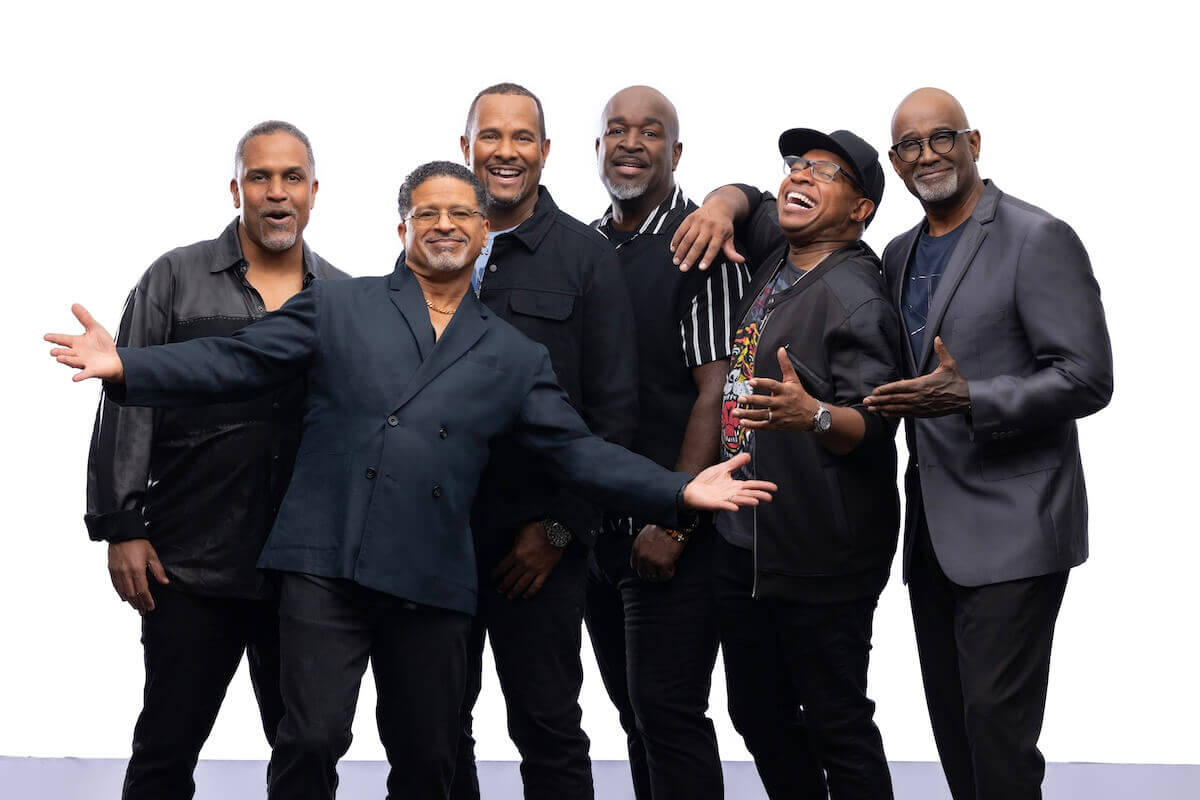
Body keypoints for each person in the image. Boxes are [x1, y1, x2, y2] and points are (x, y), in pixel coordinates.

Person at [47, 160, 776, 800]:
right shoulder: (338, 304)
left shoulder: (513, 354)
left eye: (460, 213)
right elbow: (235, 359)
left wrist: (680, 490)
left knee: (429, 758)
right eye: (427, 213)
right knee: (309, 740)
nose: (444, 224)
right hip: (323, 562)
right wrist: (125, 365)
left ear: (484, 234)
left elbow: (578, 451)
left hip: (431, 574)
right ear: (403, 231)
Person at [861, 88, 1113, 800]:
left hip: (1016, 527)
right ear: (895, 163)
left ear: (973, 143)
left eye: (942, 137)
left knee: (998, 736)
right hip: (932, 536)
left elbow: (1087, 377)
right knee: (956, 732)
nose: (927, 155)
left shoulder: (1037, 237)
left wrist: (973, 397)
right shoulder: (898, 253)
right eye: (910, 146)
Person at [84, 120, 345, 800]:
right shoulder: (175, 277)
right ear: (236, 189)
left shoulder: (345, 298)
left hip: (302, 573)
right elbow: (126, 398)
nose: (277, 192)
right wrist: (121, 526)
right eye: (260, 177)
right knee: (165, 750)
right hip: (187, 564)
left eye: (292, 178)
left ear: (314, 192)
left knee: (309, 752)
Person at [672, 128, 903, 798]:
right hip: (745, 543)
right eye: (797, 164)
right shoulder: (781, 246)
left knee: (836, 721)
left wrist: (816, 415)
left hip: (820, 552)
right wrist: (719, 204)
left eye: (826, 172)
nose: (800, 175)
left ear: (860, 209)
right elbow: (748, 196)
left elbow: (876, 422)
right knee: (757, 712)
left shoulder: (856, 296)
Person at [453, 82, 637, 800]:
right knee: (433, 726)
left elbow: (613, 416)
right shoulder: (434, 243)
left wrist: (560, 529)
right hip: (434, 536)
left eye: (522, 137)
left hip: (540, 544)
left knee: (547, 725)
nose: (506, 151)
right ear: (466, 146)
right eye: (490, 135)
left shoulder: (586, 258)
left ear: (546, 151)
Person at [585, 85, 748, 800]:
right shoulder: (585, 246)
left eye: (650, 132)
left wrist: (675, 522)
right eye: (617, 130)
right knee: (634, 715)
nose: (631, 143)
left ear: (675, 152)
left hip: (670, 529)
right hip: (596, 530)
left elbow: (715, 393)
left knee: (668, 715)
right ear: (597, 148)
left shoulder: (698, 244)